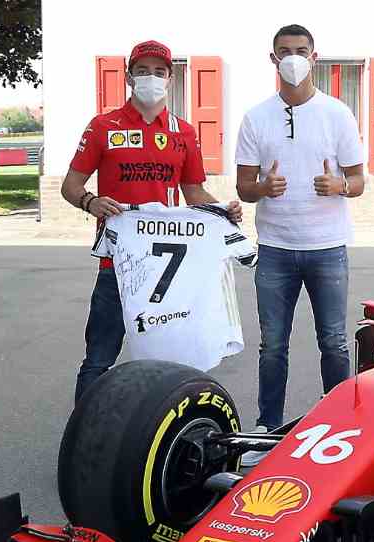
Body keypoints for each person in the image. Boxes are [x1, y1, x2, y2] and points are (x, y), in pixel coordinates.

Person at [61, 39, 242, 403]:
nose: (150, 79)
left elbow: (194, 194)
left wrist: (224, 211)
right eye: (142, 71)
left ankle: (160, 431)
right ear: (129, 78)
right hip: (117, 261)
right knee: (99, 358)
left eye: (158, 72)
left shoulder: (184, 132)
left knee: (170, 357)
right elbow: (70, 186)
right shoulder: (102, 126)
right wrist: (91, 202)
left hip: (168, 268)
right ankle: (83, 436)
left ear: (170, 80)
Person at [235, 23, 365, 451]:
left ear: (314, 56)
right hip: (275, 248)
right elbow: (243, 188)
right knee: (272, 346)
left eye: (301, 50)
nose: (293, 58)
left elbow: (358, 181)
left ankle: (339, 425)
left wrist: (339, 187)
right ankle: (267, 430)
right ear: (273, 59)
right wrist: (262, 190)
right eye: (284, 51)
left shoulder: (337, 113)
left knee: (334, 342)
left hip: (327, 246)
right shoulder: (256, 117)